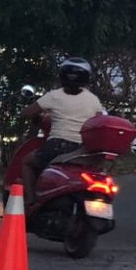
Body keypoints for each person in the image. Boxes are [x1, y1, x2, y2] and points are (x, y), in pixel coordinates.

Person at [20, 57, 104, 204]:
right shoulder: (93, 100)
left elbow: (26, 113)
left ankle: (31, 200)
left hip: (56, 146)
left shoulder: (54, 96)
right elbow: (100, 121)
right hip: (82, 149)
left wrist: (37, 115)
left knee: (27, 162)